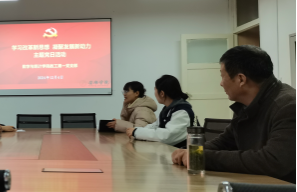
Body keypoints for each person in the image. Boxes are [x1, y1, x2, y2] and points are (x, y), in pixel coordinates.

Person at [172, 46, 296, 184]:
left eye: (222, 76)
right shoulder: (246, 104)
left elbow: (273, 161)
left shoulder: (288, 106)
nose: (221, 83)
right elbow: (225, 142)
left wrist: (201, 157)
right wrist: (191, 151)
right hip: (260, 186)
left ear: (241, 79)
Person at [126, 75, 195, 148]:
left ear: (162, 93)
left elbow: (167, 136)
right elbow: (156, 125)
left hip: (179, 152)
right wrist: (136, 130)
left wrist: (136, 132)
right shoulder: (168, 108)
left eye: (155, 89)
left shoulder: (182, 111)